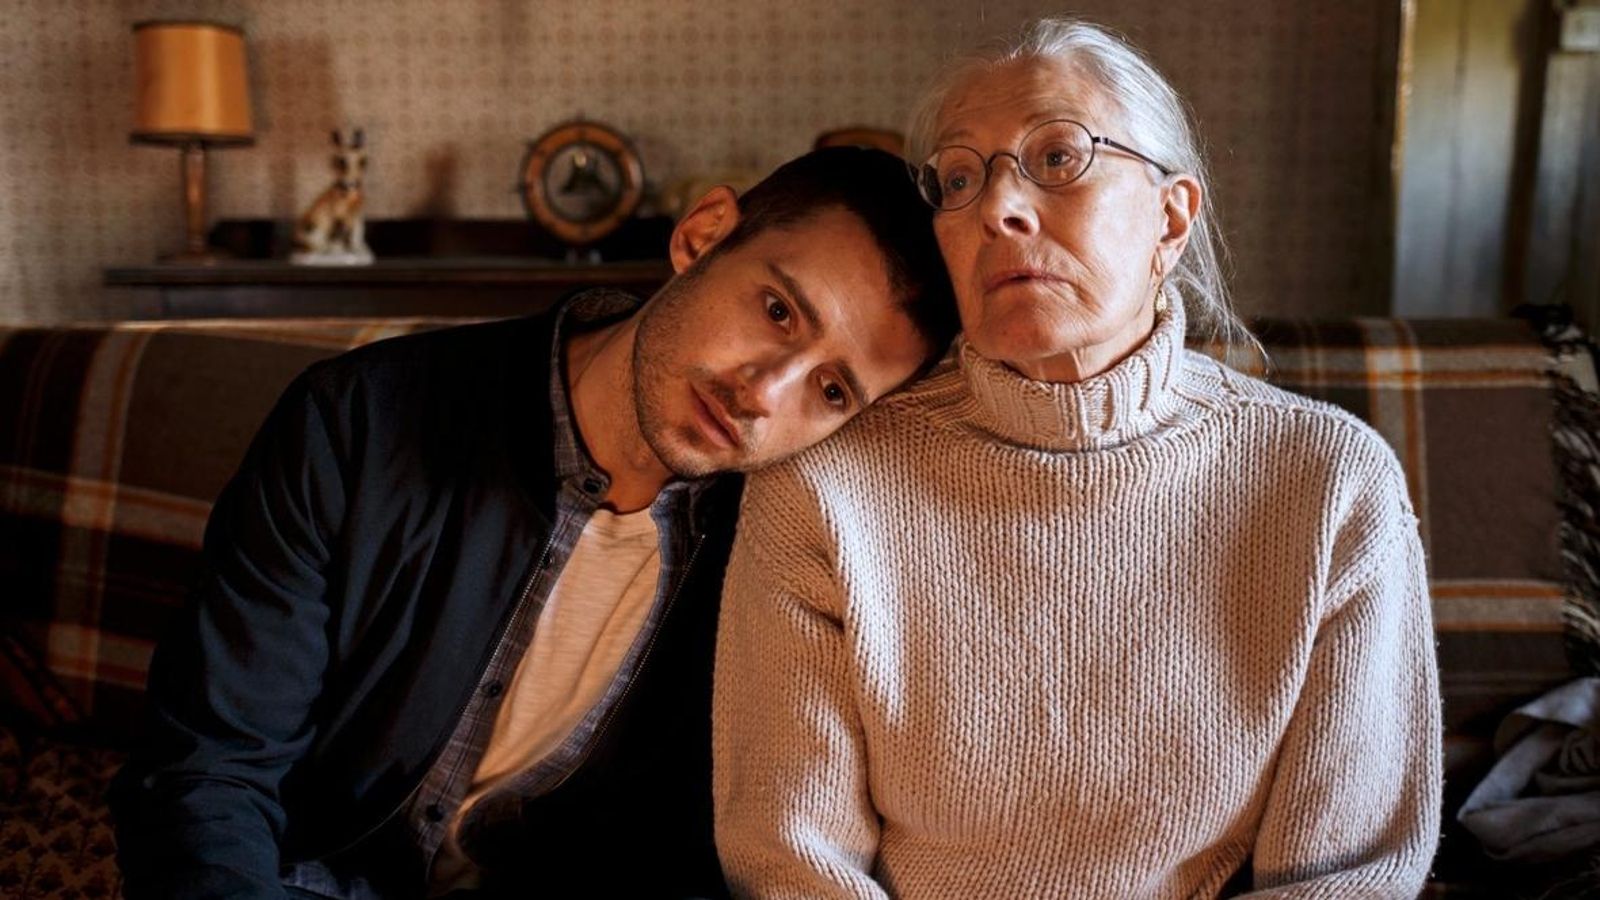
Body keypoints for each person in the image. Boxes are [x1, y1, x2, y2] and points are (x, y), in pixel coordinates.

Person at [714, 19, 1442, 898]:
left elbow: (1352, 875)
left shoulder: (1329, 481)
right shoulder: (827, 480)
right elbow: (791, 859)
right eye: (958, 179)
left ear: (1170, 219)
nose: (997, 209)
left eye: (1058, 158)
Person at [109, 146, 958, 900]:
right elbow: (208, 769)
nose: (764, 394)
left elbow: (700, 858)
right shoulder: (356, 422)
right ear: (702, 235)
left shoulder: (778, 552)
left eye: (832, 390)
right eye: (777, 310)